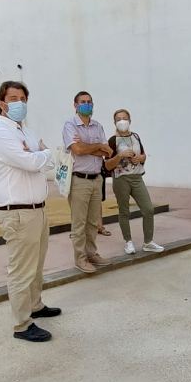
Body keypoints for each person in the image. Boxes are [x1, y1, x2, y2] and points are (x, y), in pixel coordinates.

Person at [0, 80, 64, 343]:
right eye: (13, 98)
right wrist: (42, 153)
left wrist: (39, 154)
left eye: (23, 98)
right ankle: (22, 324)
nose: (19, 103)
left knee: (36, 265)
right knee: (21, 270)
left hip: (37, 209)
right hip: (17, 212)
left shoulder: (25, 131)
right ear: (1, 103)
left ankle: (35, 305)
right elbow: (31, 162)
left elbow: (43, 161)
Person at [63, 91, 114, 273]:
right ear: (75, 105)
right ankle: (80, 258)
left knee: (93, 222)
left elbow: (107, 152)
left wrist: (87, 146)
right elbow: (77, 150)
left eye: (89, 102)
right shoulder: (70, 125)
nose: (87, 104)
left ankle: (91, 253)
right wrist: (97, 146)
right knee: (79, 223)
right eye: (83, 102)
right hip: (79, 180)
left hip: (96, 178)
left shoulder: (98, 126)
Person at [104, 109, 164, 255]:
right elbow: (107, 165)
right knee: (124, 211)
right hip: (121, 179)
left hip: (137, 178)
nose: (122, 121)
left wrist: (141, 158)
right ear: (114, 122)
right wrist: (120, 155)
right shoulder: (112, 140)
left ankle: (148, 242)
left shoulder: (135, 136)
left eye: (124, 118)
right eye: (118, 119)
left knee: (148, 209)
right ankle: (128, 242)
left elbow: (143, 155)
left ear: (130, 121)